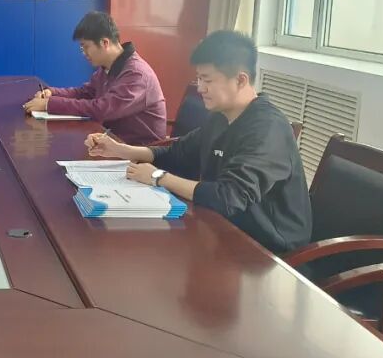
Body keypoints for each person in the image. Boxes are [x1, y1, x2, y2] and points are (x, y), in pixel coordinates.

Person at [84, 30, 311, 253]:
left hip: (267, 251)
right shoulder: (221, 117)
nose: (200, 88)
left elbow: (228, 197)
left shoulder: (267, 129)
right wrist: (120, 150)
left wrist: (158, 178)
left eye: (207, 80)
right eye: (199, 78)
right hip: (220, 228)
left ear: (240, 80)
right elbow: (178, 152)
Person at [23, 11, 166, 145]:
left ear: (105, 43)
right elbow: (85, 93)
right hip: (112, 144)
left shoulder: (136, 74)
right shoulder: (107, 67)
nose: (84, 53)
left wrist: (50, 105)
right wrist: (52, 93)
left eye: (86, 47)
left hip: (139, 152)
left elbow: (102, 109)